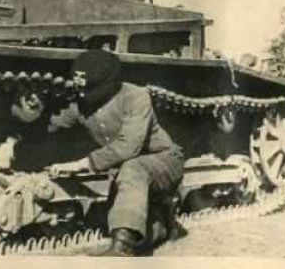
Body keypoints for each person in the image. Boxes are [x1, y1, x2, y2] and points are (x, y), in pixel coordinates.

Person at [46, 49, 184, 256]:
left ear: (109, 84)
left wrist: (80, 164)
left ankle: (122, 249)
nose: (81, 94)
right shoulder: (82, 103)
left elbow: (128, 147)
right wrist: (15, 137)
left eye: (89, 89)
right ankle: (163, 224)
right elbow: (51, 125)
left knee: (133, 169)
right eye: (79, 87)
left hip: (163, 160)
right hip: (126, 172)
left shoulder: (135, 96)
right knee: (116, 217)